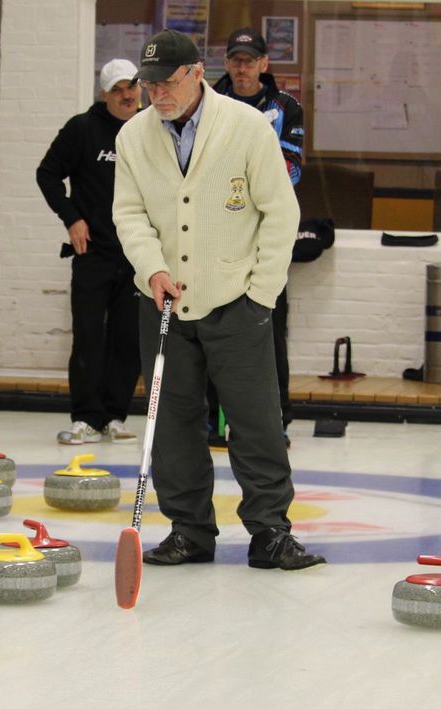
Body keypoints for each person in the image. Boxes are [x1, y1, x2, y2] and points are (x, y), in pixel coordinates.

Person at [113, 29, 325, 571]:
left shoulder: (247, 126)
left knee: (256, 421)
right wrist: (152, 268)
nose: (157, 94)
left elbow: (281, 212)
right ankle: (189, 530)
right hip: (161, 302)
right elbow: (129, 214)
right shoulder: (133, 136)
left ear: (195, 74)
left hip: (236, 300)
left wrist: (261, 294)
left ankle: (270, 532)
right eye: (149, 85)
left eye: (167, 82)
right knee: (173, 423)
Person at [36, 58, 143, 445]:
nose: (126, 95)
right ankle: (86, 417)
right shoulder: (82, 128)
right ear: (104, 94)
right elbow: (47, 173)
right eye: (117, 90)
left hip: (137, 253)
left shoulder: (152, 129)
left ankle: (115, 415)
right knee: (88, 336)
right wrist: (72, 218)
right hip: (93, 252)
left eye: (131, 87)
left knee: (128, 339)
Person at [209, 26, 305, 448]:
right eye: (235, 60)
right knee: (211, 330)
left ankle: (275, 421)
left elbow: (293, 170)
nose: (242, 68)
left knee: (268, 330)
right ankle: (213, 421)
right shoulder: (209, 99)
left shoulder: (286, 106)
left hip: (266, 236)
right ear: (226, 63)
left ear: (264, 64)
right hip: (216, 235)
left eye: (249, 61)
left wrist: (245, 179)